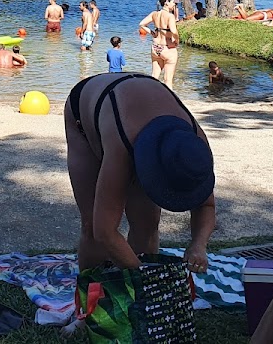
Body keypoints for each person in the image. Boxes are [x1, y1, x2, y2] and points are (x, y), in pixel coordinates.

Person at [64, 73, 216, 273]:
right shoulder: (122, 148)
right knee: (92, 224)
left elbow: (207, 204)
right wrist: (143, 277)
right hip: (87, 108)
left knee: (147, 224)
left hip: (136, 105)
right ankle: (92, 286)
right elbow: (104, 232)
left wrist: (198, 245)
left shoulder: (194, 149)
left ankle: (132, 285)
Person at [140, 0, 179, 87]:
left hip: (155, 47)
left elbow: (142, 24)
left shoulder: (155, 14)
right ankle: (168, 96)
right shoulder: (170, 16)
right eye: (173, 2)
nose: (174, 4)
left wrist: (152, 33)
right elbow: (174, 31)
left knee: (154, 76)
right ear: (166, 3)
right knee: (168, 80)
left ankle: (150, 94)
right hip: (167, 48)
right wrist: (177, 41)